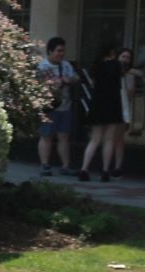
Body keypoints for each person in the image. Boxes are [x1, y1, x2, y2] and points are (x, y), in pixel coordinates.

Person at [79, 43, 127, 181]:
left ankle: (84, 169)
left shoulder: (97, 65)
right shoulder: (116, 65)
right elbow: (121, 79)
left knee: (95, 139)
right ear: (112, 52)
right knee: (109, 140)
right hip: (113, 105)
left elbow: (94, 83)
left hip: (97, 104)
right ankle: (105, 171)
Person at [37, 37, 80, 176]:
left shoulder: (66, 65)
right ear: (50, 51)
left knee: (64, 136)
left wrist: (68, 79)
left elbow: (76, 78)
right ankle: (45, 165)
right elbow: (39, 84)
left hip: (65, 106)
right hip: (49, 107)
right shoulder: (42, 66)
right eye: (58, 51)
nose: (61, 54)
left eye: (63, 51)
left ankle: (65, 166)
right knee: (46, 136)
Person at [108, 47, 136, 179]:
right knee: (111, 138)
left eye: (128, 57)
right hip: (112, 108)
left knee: (118, 140)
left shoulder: (129, 74)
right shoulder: (113, 71)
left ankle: (117, 167)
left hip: (123, 109)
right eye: (123, 56)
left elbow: (130, 92)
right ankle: (107, 166)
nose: (125, 59)